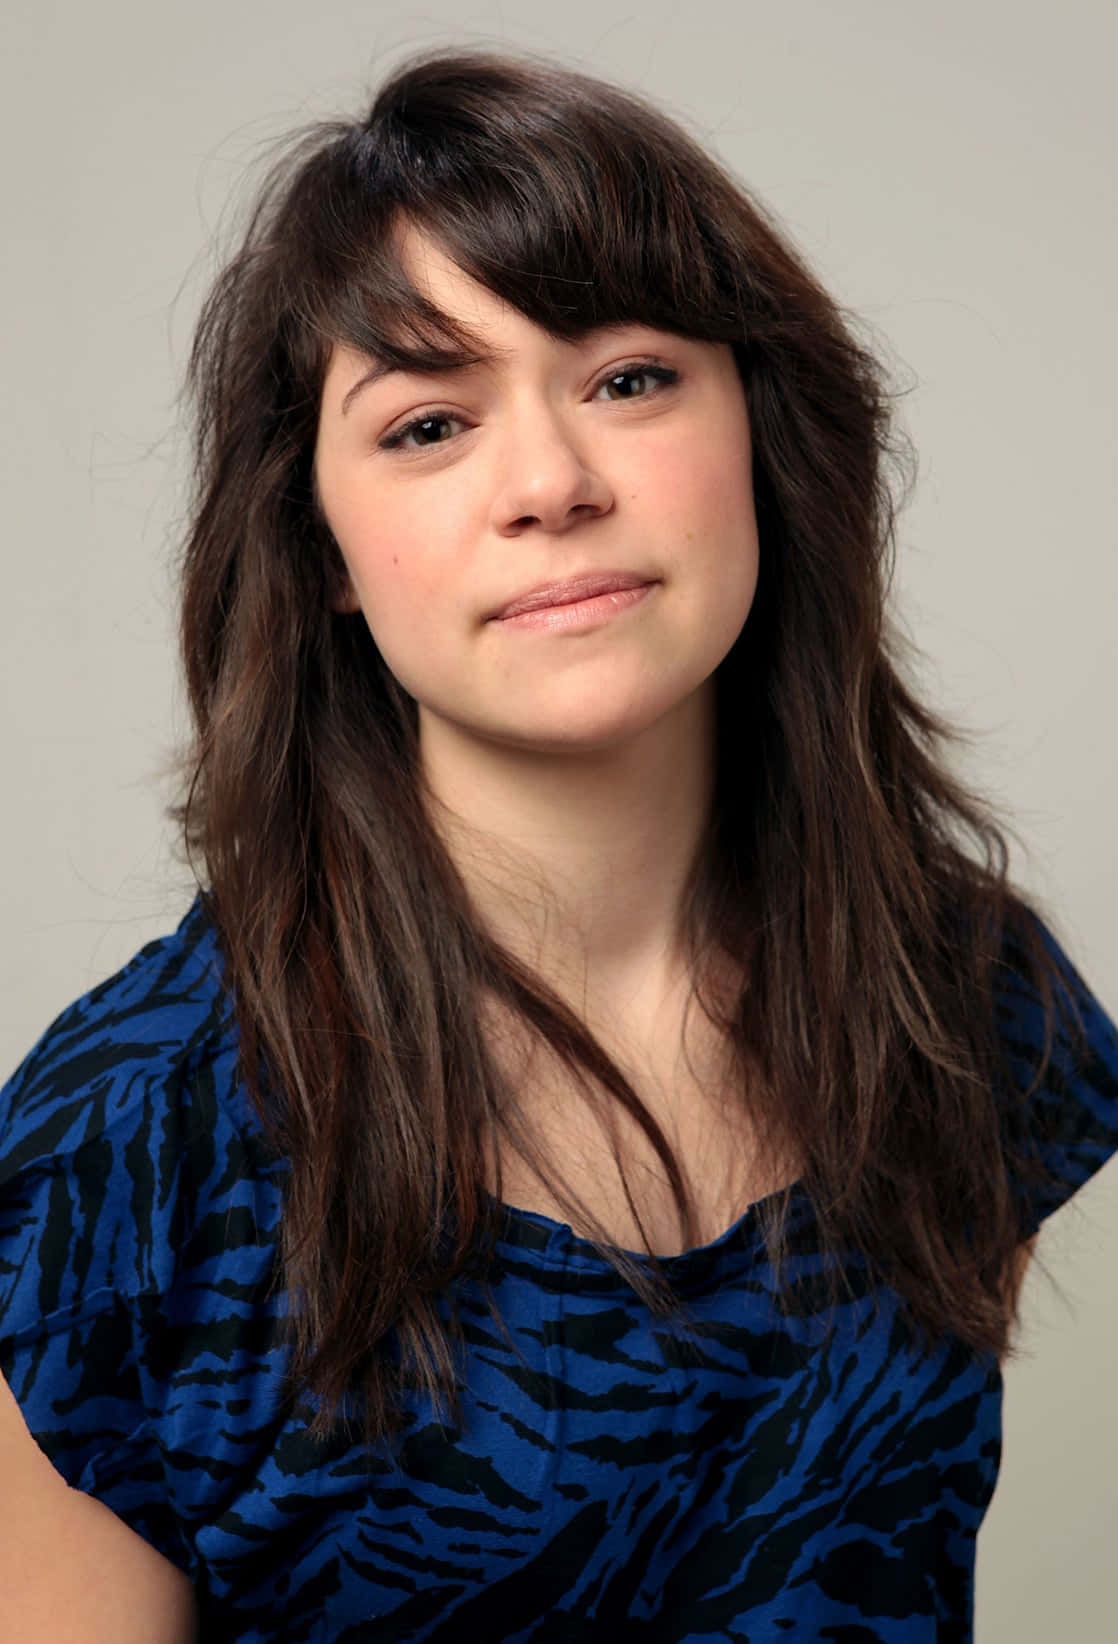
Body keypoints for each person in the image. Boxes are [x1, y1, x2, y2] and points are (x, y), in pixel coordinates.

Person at [1, 42, 1116, 1644]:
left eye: (628, 379)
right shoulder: (123, 1154)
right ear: (320, 549)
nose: (549, 483)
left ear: (762, 437)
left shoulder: (966, 1005)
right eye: (427, 424)